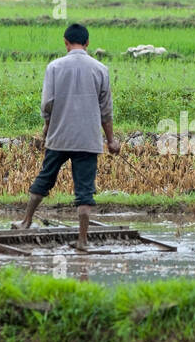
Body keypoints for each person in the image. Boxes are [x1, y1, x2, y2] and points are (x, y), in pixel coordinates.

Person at [17, 23, 120, 249]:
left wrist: (46, 128)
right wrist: (111, 140)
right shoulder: (100, 69)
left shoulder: (54, 67)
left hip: (60, 136)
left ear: (65, 42)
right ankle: (83, 240)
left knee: (44, 179)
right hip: (87, 140)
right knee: (84, 192)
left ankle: (26, 221)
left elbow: (48, 104)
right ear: (87, 43)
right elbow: (106, 110)